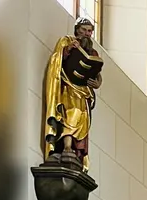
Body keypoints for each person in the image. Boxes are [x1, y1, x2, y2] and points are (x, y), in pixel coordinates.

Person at [42, 18, 103, 169]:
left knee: (81, 119)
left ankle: (76, 152)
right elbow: (56, 60)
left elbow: (97, 71)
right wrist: (69, 49)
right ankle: (66, 148)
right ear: (77, 30)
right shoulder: (66, 41)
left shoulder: (92, 51)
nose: (87, 33)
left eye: (90, 31)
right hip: (67, 88)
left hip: (84, 93)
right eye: (84, 30)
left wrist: (98, 83)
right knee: (70, 115)